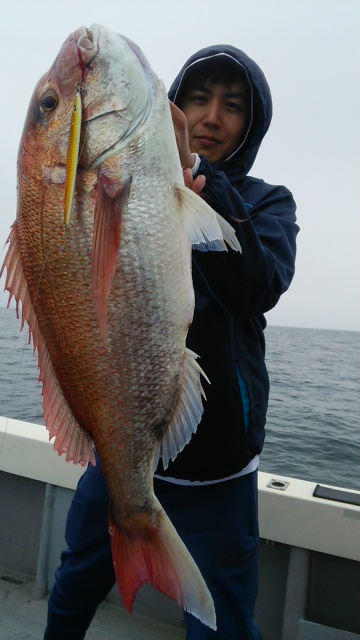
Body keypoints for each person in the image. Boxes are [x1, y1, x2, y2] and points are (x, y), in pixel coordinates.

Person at [44, 44, 298, 639]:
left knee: (222, 624)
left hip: (219, 472)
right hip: (117, 452)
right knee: (71, 590)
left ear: (250, 124)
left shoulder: (266, 204)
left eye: (233, 106)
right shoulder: (118, 182)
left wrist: (203, 183)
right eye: (199, 99)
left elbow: (259, 283)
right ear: (172, 107)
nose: (212, 116)